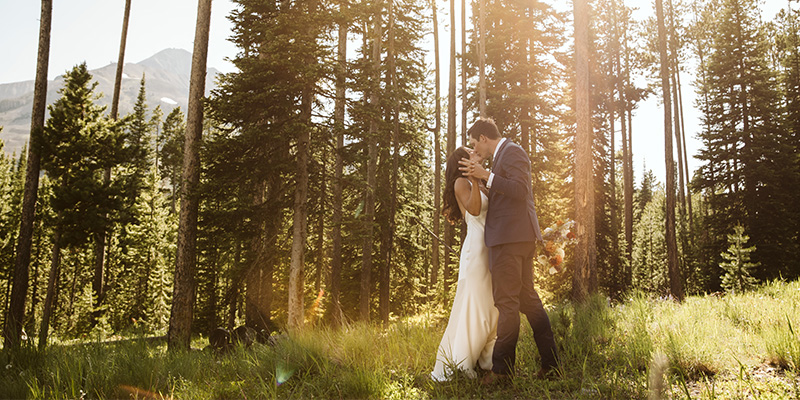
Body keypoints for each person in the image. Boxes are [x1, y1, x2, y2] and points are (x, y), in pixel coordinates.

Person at [459, 118, 559, 384]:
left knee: (507, 304)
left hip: (510, 240)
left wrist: (485, 176)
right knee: (527, 300)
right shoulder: (502, 156)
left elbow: (519, 189)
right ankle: (552, 365)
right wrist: (482, 175)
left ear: (483, 138)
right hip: (517, 238)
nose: (474, 150)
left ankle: (502, 372)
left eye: (473, 144)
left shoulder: (512, 151)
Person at [431, 146, 499, 381]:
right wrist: (472, 176)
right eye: (471, 151)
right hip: (476, 250)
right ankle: (460, 363)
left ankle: (488, 360)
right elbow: (475, 209)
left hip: (491, 246)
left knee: (492, 306)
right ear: (463, 162)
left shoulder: (479, 180)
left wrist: (480, 177)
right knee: (475, 306)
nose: (476, 151)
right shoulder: (461, 183)